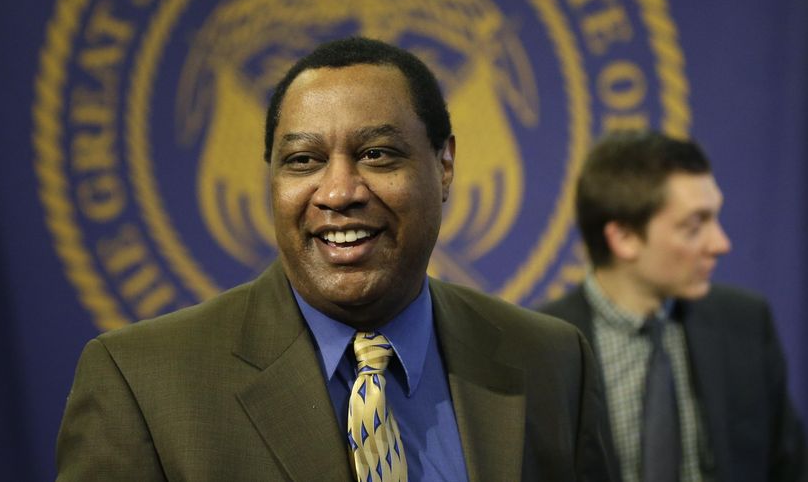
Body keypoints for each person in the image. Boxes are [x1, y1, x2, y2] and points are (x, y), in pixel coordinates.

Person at [55, 37, 611, 481]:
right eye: (303, 160)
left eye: (377, 154)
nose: (339, 191)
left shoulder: (553, 361)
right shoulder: (141, 382)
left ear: (444, 165)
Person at [541, 130, 806, 482]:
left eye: (716, 219)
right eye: (695, 226)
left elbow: (789, 467)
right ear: (624, 238)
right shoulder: (542, 344)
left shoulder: (745, 323)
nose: (721, 243)